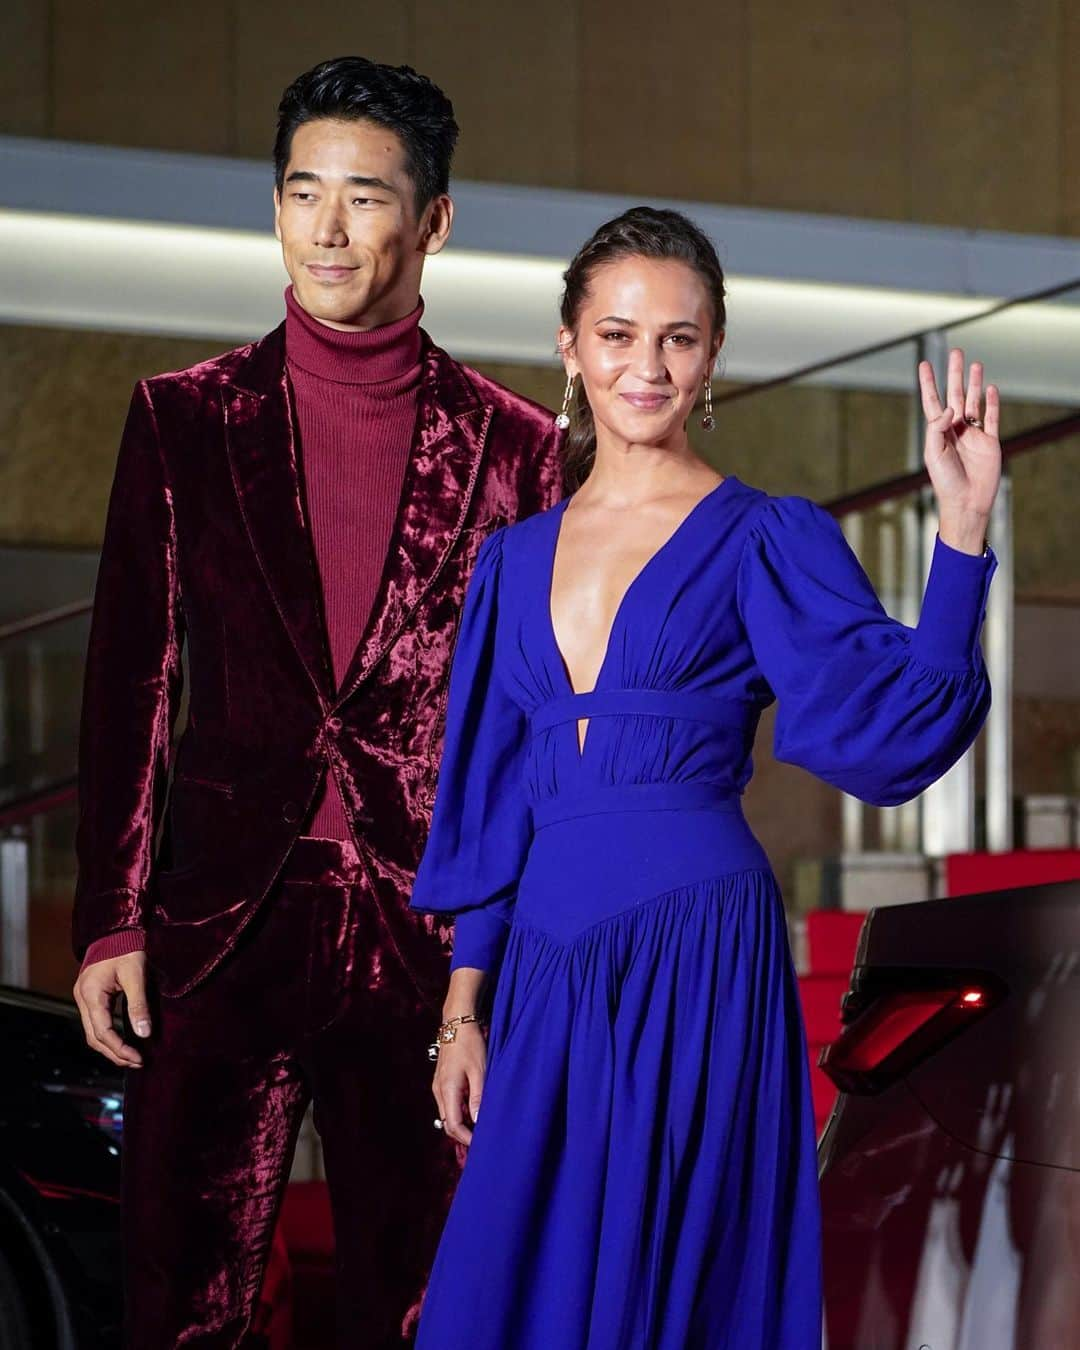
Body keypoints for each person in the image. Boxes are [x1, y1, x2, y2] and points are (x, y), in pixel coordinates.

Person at [408, 205, 1000, 1348]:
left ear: (713, 354)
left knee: (680, 1278)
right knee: (504, 1292)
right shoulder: (507, 561)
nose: (648, 364)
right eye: (619, 334)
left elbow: (896, 725)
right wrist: (460, 1012)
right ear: (571, 348)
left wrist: (963, 530)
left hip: (697, 947)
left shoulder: (764, 536)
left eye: (679, 338)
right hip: (545, 955)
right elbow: (489, 797)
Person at [69, 56, 564, 1348]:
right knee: (185, 1292)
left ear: (437, 222)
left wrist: (516, 946)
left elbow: (530, 717)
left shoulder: (516, 448)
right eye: (302, 192)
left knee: (431, 1297)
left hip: (427, 924)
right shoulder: (181, 421)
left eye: (364, 196)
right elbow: (133, 674)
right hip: (223, 918)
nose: (328, 229)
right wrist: (109, 917)